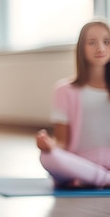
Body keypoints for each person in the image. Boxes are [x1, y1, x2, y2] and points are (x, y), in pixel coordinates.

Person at [36, 20, 110, 189]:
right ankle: (104, 178)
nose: (100, 48)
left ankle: (90, 178)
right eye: (92, 42)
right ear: (81, 48)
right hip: (80, 161)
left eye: (106, 41)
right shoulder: (64, 90)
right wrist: (49, 144)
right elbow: (62, 141)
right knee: (47, 157)